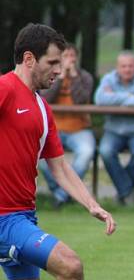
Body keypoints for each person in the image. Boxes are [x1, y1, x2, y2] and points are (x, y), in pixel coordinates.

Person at [0, 23, 134, 280]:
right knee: (70, 265)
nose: (59, 71)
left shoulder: (44, 111)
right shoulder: (4, 89)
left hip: (22, 214)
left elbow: (60, 167)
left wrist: (92, 204)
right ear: (29, 59)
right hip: (4, 218)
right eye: (52, 63)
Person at [38, 43, 95, 207]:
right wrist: (61, 77)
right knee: (42, 159)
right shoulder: (49, 76)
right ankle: (66, 194)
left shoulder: (85, 77)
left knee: (86, 152)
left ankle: (61, 195)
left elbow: (81, 100)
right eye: (65, 56)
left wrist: (74, 77)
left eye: (72, 56)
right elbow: (46, 99)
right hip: (52, 129)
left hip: (79, 129)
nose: (69, 60)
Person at [95, 50, 134, 206]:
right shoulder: (108, 78)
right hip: (114, 129)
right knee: (105, 151)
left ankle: (123, 193)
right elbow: (100, 99)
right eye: (123, 66)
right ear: (117, 67)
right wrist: (129, 96)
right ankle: (128, 193)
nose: (127, 69)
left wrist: (114, 96)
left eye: (130, 66)